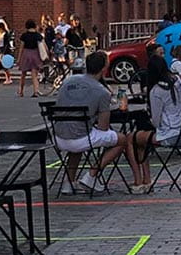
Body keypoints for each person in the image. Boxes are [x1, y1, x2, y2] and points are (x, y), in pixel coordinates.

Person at [54, 50, 135, 193]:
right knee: (122, 139)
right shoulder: (102, 92)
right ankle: (91, 175)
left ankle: (69, 181)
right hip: (80, 137)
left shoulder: (68, 81)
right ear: (104, 68)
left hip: (59, 135)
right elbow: (103, 127)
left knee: (76, 145)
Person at [144, 55, 181, 156]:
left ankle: (141, 170)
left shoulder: (156, 91)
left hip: (171, 136)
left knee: (133, 139)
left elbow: (156, 121)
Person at [15, 20, 44, 98]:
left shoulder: (24, 35)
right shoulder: (38, 35)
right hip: (35, 54)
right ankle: (35, 91)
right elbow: (42, 46)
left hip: (26, 54)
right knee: (34, 75)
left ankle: (21, 91)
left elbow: (21, 47)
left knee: (23, 74)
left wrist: (18, 58)